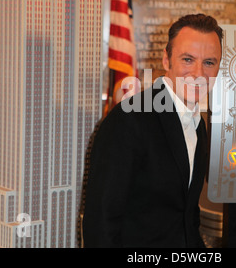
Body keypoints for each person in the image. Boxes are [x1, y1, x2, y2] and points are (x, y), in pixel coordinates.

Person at [82, 14, 223, 248]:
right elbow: (100, 224)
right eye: (188, 59)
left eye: (209, 62)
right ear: (166, 61)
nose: (199, 73)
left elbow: (187, 218)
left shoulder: (199, 125)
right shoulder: (129, 119)